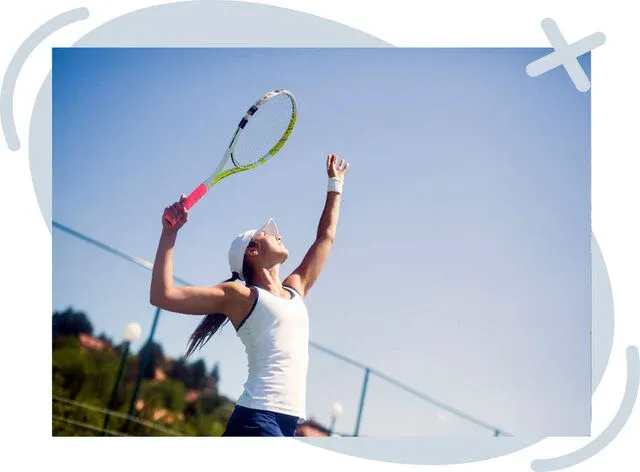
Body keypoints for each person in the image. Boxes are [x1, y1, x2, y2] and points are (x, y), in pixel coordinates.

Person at [150, 153, 349, 437]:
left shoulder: (296, 288)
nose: (277, 234)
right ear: (252, 252)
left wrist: (335, 185)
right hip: (258, 419)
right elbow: (163, 295)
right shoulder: (240, 296)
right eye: (267, 233)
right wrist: (169, 233)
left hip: (286, 424)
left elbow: (325, 238)